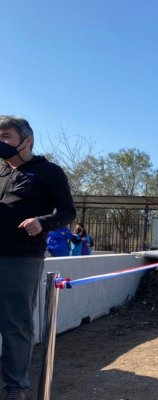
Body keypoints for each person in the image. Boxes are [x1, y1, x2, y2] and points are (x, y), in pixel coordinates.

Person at [0, 116, 76, 400]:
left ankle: (15, 388)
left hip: (21, 258)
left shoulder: (49, 172)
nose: (1, 142)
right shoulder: (1, 173)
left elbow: (68, 211)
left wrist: (42, 222)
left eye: (6, 136)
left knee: (15, 323)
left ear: (27, 140)